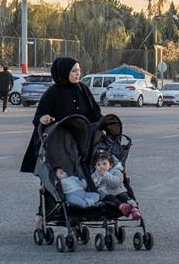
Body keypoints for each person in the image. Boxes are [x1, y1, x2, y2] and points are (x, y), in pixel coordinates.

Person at [20, 57, 102, 225]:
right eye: (73, 71)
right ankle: (44, 214)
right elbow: (38, 117)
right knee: (55, 180)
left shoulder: (83, 89)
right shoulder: (53, 92)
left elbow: (95, 113)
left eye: (79, 70)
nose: (77, 73)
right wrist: (44, 118)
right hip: (57, 143)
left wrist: (102, 125)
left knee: (81, 177)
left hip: (82, 143)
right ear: (64, 73)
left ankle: (81, 211)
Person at [92, 152, 141, 218]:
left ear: (110, 165)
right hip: (107, 194)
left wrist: (105, 175)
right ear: (95, 166)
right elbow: (93, 185)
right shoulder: (95, 175)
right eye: (98, 165)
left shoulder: (116, 171)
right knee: (111, 198)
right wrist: (96, 180)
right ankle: (123, 206)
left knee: (125, 197)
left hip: (119, 191)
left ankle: (134, 209)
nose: (101, 166)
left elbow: (116, 183)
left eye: (104, 164)